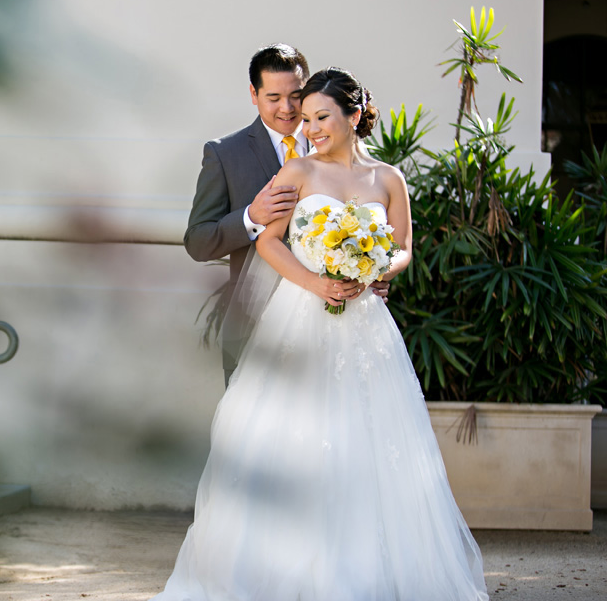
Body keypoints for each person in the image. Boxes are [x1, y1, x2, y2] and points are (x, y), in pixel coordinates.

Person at [151, 67, 489, 600]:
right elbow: (267, 241)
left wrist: (379, 268)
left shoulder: (388, 179)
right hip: (299, 318)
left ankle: (363, 571)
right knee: (293, 438)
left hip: (366, 329)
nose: (309, 128)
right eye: (305, 119)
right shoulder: (296, 172)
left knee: (370, 444)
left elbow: (404, 247)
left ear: (354, 115)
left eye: (321, 117)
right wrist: (315, 281)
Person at [185, 45, 387, 386]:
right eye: (274, 97)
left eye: (296, 95)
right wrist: (251, 216)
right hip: (256, 324)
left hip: (339, 325)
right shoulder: (224, 154)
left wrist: (372, 268)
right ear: (254, 93)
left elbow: (378, 225)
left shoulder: (340, 147)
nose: (287, 108)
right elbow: (198, 243)